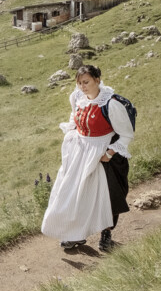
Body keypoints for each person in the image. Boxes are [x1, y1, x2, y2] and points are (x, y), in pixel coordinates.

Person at [41, 65, 134, 251]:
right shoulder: (77, 98)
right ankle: (75, 234)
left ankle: (106, 233)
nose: (82, 87)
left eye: (86, 82)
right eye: (79, 83)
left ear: (97, 80)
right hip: (80, 153)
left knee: (107, 196)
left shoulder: (111, 104)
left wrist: (109, 153)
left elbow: (126, 134)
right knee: (77, 194)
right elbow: (74, 119)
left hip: (104, 156)